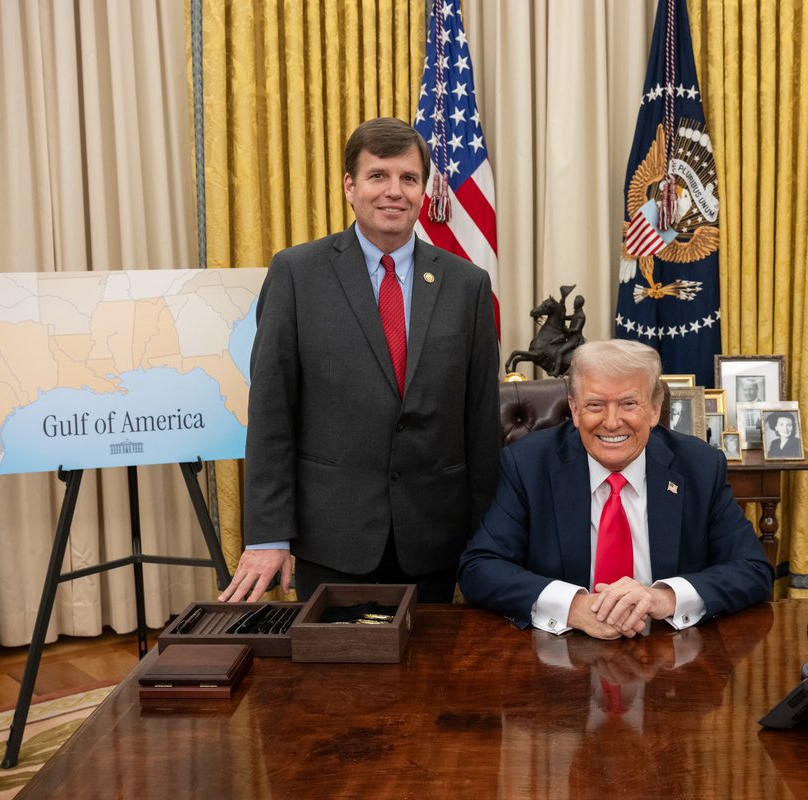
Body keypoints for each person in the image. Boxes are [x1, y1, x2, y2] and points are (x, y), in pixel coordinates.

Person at [220, 117, 501, 603]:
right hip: (332, 539)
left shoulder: (467, 285)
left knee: (434, 677)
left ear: (423, 190)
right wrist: (269, 535)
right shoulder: (297, 274)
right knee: (337, 677)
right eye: (378, 176)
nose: (394, 191)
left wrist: (491, 539)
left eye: (408, 179)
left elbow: (479, 423)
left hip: (436, 539)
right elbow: (271, 413)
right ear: (350, 186)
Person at [458, 339, 773, 639]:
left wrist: (664, 598)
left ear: (653, 410)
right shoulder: (528, 464)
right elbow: (480, 568)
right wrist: (573, 607)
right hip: (558, 659)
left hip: (670, 656)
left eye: (628, 404)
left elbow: (752, 569)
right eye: (595, 404)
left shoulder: (700, 466)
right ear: (575, 409)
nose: (611, 422)